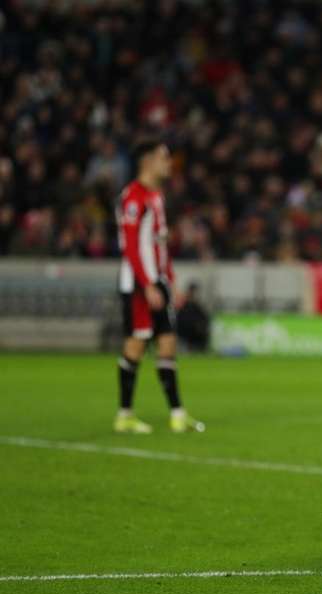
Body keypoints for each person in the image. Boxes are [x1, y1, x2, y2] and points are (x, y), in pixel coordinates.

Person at [114, 139, 204, 434]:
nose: (169, 163)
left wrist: (170, 282)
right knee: (137, 345)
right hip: (140, 285)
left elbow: (159, 247)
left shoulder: (156, 196)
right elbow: (130, 247)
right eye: (164, 158)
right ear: (148, 161)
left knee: (167, 344)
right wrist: (148, 284)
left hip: (158, 282)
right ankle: (124, 414)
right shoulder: (133, 197)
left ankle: (177, 414)